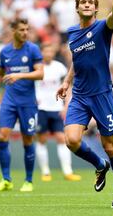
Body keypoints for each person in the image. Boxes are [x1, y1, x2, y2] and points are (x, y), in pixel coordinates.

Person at [56, 0, 113, 208]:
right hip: (79, 95)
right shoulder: (72, 33)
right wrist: (67, 81)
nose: (86, 5)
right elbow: (77, 60)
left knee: (110, 147)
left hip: (102, 94)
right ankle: (99, 165)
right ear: (77, 8)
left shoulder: (102, 28)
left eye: (90, 3)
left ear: (96, 9)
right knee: (72, 140)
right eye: (83, 2)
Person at [0, 18, 44, 192]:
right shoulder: (5, 52)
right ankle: (6, 180)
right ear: (13, 31)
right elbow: (0, 74)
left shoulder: (33, 49)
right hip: (9, 101)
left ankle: (28, 181)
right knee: (2, 135)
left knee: (27, 139)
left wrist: (19, 76)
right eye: (21, 30)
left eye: (27, 29)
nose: (25, 33)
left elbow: (40, 73)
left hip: (27, 103)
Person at [35, 42, 81, 182]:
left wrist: (66, 105)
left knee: (62, 138)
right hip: (41, 108)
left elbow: (67, 86)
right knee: (42, 139)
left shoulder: (59, 68)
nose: (48, 54)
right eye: (45, 51)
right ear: (41, 53)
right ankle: (46, 172)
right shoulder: (36, 68)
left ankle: (67, 171)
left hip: (56, 108)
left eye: (50, 51)